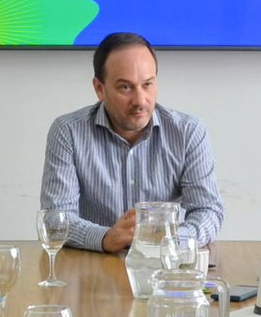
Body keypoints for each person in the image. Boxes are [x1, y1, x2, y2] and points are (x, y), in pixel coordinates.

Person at [40, 32, 224, 252]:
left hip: (162, 265)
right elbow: (55, 219)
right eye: (125, 87)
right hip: (94, 265)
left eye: (147, 84)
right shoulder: (68, 131)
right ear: (100, 88)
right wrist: (105, 238)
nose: (140, 101)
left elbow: (208, 211)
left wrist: (172, 242)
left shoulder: (188, 131)